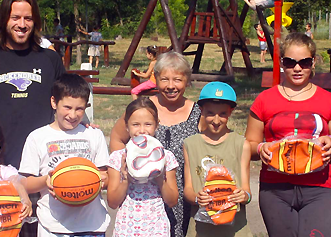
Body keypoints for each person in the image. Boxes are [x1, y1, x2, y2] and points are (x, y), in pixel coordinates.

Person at [243, 32, 331, 237]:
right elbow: (249, 145)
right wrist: (261, 148)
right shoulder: (265, 100)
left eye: (304, 62)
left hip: (318, 188)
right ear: (282, 63)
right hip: (275, 189)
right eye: (290, 62)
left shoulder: (329, 100)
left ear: (313, 63)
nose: (297, 68)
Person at [0, 0, 64, 170]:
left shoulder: (51, 60)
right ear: (4, 19)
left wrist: (84, 124)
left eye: (28, 18)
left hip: (43, 170)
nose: (22, 24)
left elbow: (67, 105)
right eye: (15, 17)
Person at [109, 51, 201, 237]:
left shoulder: (198, 112)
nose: (171, 86)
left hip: (180, 193)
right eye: (164, 79)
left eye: (177, 79)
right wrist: (123, 171)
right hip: (139, 198)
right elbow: (117, 137)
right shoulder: (143, 109)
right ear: (156, 78)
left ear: (187, 80)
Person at [19, 74, 111, 236]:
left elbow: (105, 175)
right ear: (54, 102)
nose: (73, 115)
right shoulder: (37, 137)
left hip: (92, 225)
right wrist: (46, 181)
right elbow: (24, 183)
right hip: (53, 227)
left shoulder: (94, 134)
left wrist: (97, 181)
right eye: (67, 107)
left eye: (79, 109)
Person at [183, 82, 252, 237]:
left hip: (235, 229)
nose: (216, 120)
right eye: (210, 113)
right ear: (201, 110)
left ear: (231, 112)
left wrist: (244, 196)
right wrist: (196, 197)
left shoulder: (241, 144)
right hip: (200, 229)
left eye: (222, 114)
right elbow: (188, 190)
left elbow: (247, 191)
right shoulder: (190, 144)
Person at [106, 97, 181, 236]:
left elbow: (172, 201)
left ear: (157, 125)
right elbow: (112, 202)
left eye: (148, 124)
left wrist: (160, 179)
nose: (142, 130)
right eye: (135, 124)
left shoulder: (166, 156)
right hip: (126, 227)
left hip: (157, 227)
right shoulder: (118, 157)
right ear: (127, 126)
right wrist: (126, 178)